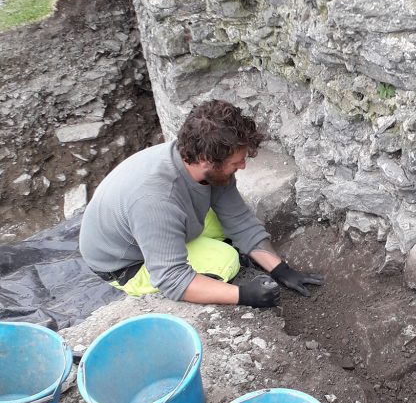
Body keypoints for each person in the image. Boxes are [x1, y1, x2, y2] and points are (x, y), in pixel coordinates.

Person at [79, 100, 323, 308]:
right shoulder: (156, 202)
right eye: (236, 162)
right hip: (127, 263)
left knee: (223, 224)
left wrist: (280, 269)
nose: (243, 166)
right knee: (226, 260)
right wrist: (244, 296)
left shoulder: (202, 165)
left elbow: (239, 219)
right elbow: (172, 279)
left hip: (152, 224)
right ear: (207, 160)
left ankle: (227, 252)